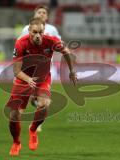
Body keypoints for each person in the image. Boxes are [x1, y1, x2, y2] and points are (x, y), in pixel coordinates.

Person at [6, 17, 77, 156]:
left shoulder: (51, 41)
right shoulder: (21, 43)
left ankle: (33, 130)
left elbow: (67, 52)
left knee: (44, 104)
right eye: (35, 32)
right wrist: (28, 79)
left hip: (42, 78)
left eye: (41, 32)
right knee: (14, 116)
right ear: (29, 31)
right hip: (23, 79)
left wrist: (72, 71)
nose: (38, 35)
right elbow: (16, 71)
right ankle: (16, 142)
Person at [20, 5, 61, 132]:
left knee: (45, 102)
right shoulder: (27, 29)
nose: (42, 14)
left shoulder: (52, 29)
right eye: (39, 12)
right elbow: (20, 45)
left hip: (46, 70)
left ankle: (37, 124)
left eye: (44, 12)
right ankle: (34, 100)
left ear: (47, 16)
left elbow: (60, 44)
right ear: (34, 14)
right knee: (33, 98)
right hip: (30, 70)